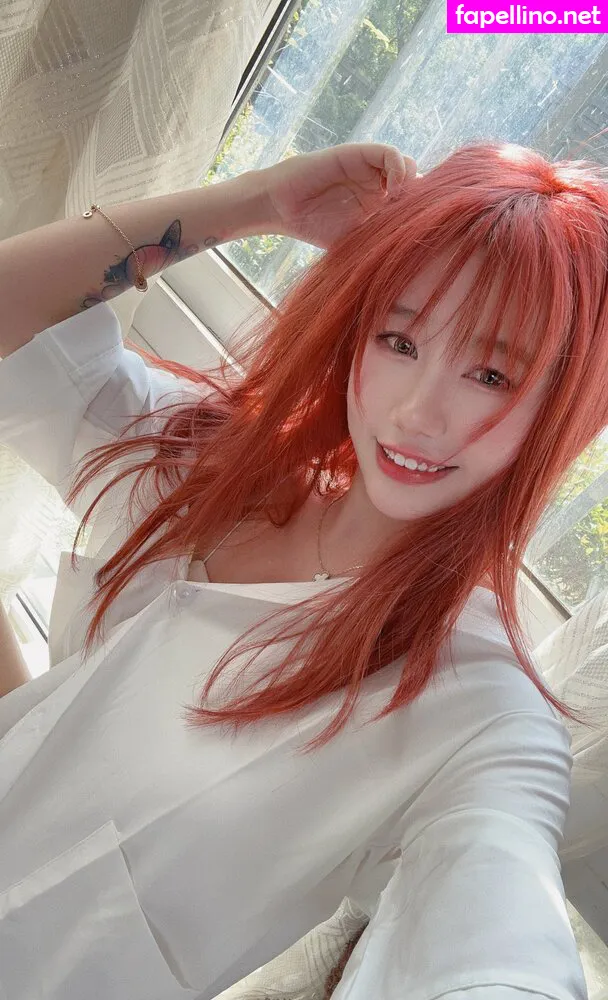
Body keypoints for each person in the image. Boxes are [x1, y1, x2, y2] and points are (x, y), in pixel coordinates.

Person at [0, 138, 604, 1000]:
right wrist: (254, 203)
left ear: (565, 410)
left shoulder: (481, 711)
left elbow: (494, 926)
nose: (418, 413)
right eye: (399, 339)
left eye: (491, 373)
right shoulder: (213, 467)